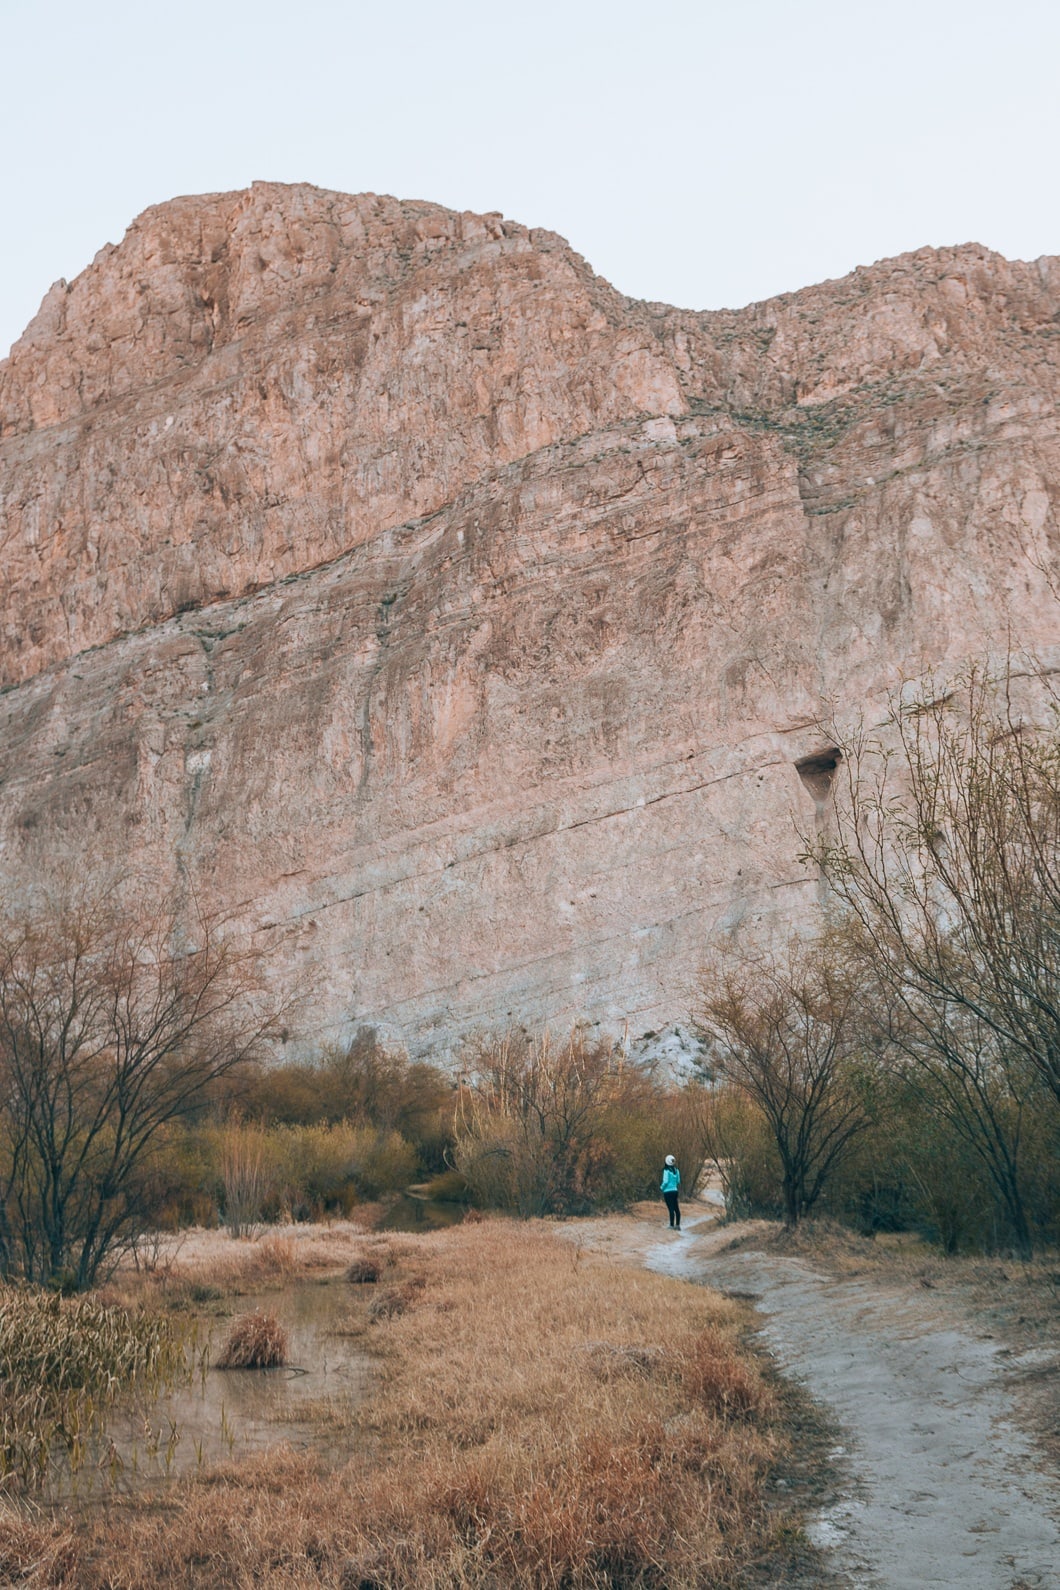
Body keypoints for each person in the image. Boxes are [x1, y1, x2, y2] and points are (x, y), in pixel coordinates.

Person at [661, 1154, 681, 1229]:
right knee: (676, 1208)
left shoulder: (666, 1171)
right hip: (675, 1191)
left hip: (667, 1192)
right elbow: (678, 1181)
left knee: (671, 1209)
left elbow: (665, 1181)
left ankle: (671, 1225)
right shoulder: (676, 1170)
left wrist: (662, 1187)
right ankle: (678, 1225)